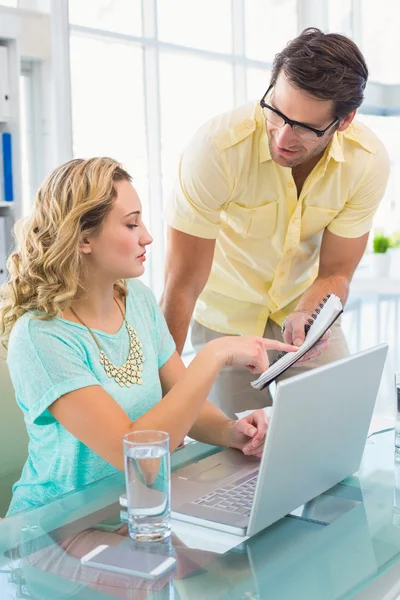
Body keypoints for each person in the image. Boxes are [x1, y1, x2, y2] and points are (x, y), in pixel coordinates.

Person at [0, 157, 297, 515]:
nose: (147, 236)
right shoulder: (41, 337)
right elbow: (139, 460)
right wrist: (213, 355)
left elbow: (186, 406)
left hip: (137, 508)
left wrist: (232, 431)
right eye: (131, 224)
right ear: (83, 239)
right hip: (59, 527)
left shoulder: (135, 298)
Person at [161, 27, 390, 418]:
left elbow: (337, 272)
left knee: (334, 426)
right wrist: (163, 398)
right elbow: (182, 286)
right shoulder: (217, 149)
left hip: (303, 312)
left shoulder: (366, 163)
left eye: (304, 127)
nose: (283, 136)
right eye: (277, 112)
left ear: (345, 120)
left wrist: (309, 314)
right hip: (225, 322)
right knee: (236, 451)